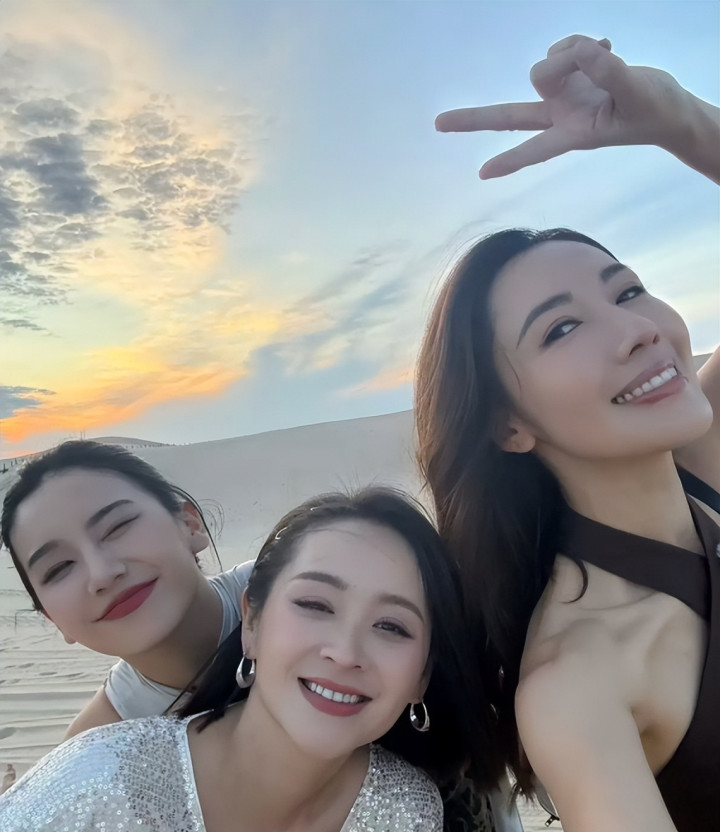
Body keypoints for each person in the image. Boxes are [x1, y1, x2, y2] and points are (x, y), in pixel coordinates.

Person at [416, 35, 719, 832]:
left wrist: (681, 122)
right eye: (561, 330)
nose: (637, 330)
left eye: (628, 291)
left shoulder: (699, 463)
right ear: (508, 424)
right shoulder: (577, 682)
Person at [0, 488, 498, 831]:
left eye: (392, 627)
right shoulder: (97, 785)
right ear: (252, 624)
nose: (346, 653)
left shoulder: (408, 810)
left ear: (422, 677)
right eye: (315, 604)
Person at [1, 440, 254, 737]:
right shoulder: (97, 747)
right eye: (59, 568)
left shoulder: (288, 588)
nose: (102, 574)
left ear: (190, 525)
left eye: (117, 527)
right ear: (52, 618)